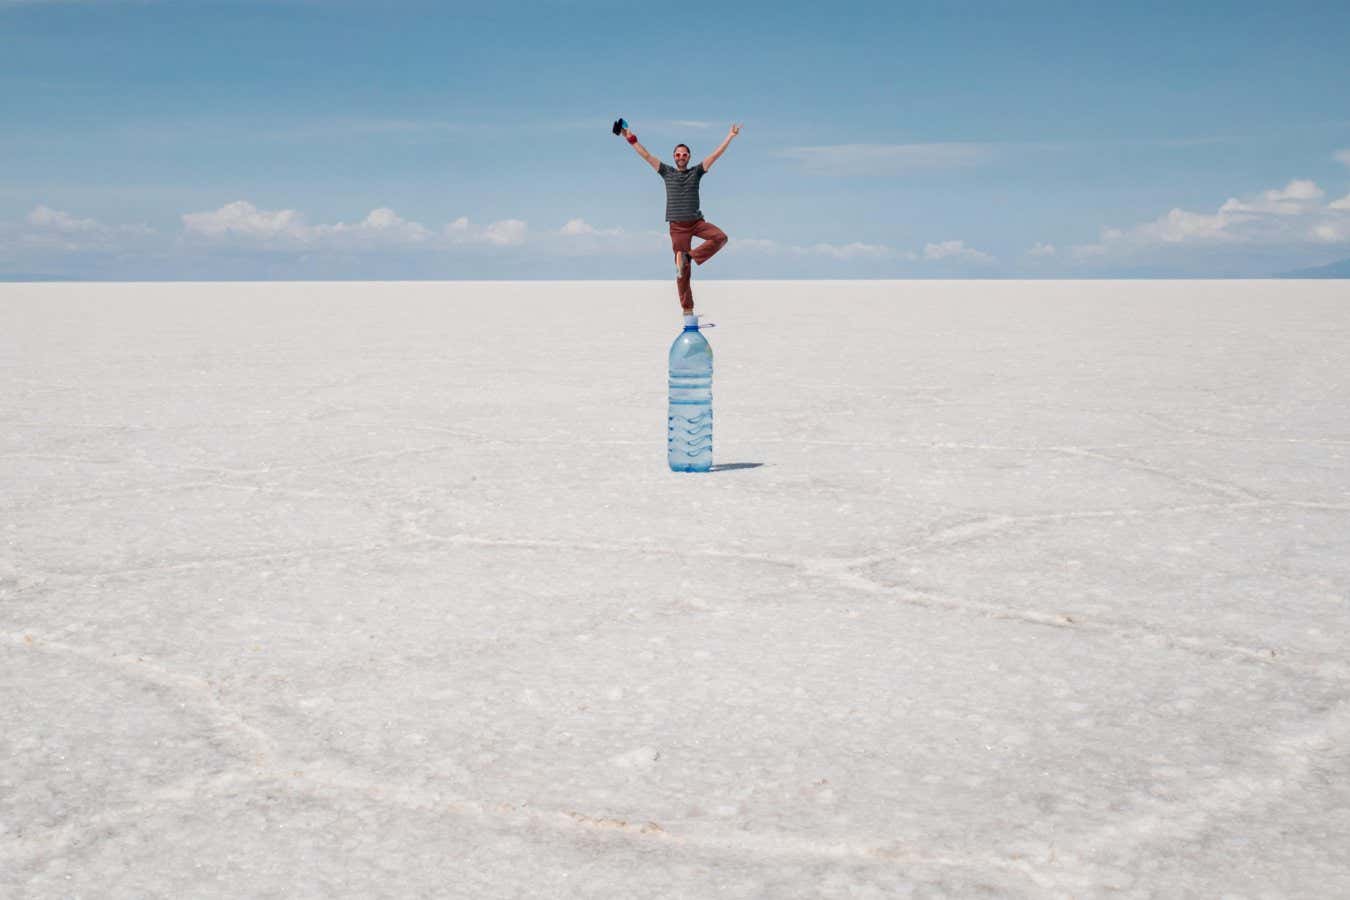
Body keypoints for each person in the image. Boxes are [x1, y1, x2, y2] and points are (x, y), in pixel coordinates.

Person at [621, 122, 741, 315]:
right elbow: (646, 155)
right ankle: (688, 310)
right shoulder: (666, 172)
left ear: (689, 157)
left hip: (697, 223)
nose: (681, 157)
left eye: (684, 154)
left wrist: (730, 136)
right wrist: (629, 137)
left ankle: (688, 257)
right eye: (678, 154)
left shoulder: (696, 172)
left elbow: (715, 155)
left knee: (721, 238)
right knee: (683, 272)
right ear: (674, 157)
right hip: (677, 227)